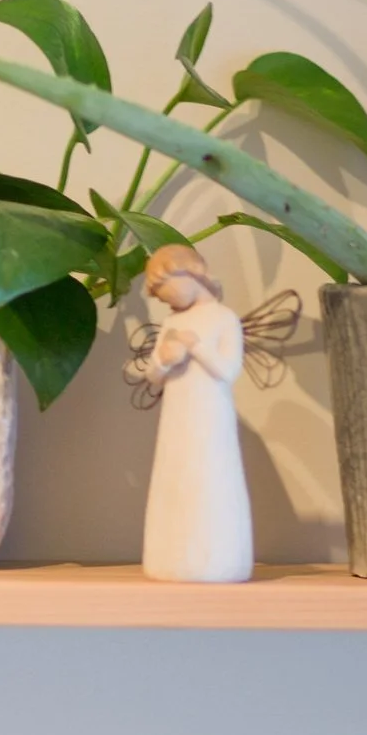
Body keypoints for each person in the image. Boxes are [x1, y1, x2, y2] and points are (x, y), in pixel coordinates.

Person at [133, 244, 253, 582]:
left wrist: (195, 346)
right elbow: (153, 376)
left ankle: (217, 558)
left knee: (210, 477)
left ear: (188, 274)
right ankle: (169, 556)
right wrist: (165, 360)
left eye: (163, 289)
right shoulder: (172, 322)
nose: (161, 298)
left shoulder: (223, 318)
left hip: (210, 417)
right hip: (176, 417)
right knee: (175, 477)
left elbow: (228, 370)